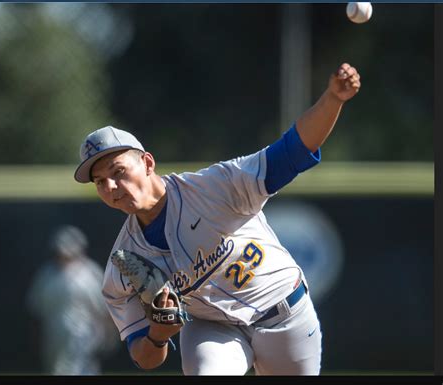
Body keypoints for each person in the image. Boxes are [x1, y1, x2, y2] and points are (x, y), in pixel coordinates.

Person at [73, 63, 361, 375]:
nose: (111, 187)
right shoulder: (124, 265)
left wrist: (333, 99)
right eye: (100, 182)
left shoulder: (213, 188)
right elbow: (143, 357)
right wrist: (157, 336)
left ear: (147, 162)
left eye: (118, 172)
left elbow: (293, 150)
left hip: (284, 314)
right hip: (213, 329)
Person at [26, 225, 117, 375]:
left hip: (85, 332)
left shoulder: (90, 272)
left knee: (82, 368)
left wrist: (108, 331)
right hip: (54, 332)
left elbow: (103, 307)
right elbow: (36, 308)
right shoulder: (48, 274)